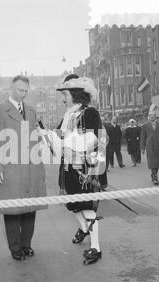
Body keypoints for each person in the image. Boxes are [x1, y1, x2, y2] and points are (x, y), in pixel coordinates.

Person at [0, 75, 47, 261]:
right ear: (11, 89)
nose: (23, 94)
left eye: (26, 91)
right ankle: (15, 248)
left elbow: (34, 137)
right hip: (10, 167)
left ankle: (26, 244)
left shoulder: (31, 111)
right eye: (20, 90)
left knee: (30, 207)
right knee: (12, 208)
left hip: (31, 165)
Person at [51, 74, 106, 265]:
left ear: (75, 94)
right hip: (67, 169)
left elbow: (92, 140)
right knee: (72, 204)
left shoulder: (90, 113)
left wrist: (65, 139)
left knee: (88, 209)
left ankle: (96, 248)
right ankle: (84, 229)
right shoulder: (67, 115)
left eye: (65, 94)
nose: (63, 98)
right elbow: (57, 141)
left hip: (86, 169)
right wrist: (48, 137)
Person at [140, 109, 159, 185]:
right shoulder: (145, 126)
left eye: (152, 115)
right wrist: (142, 148)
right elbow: (142, 137)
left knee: (158, 162)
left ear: (155, 116)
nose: (151, 117)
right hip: (150, 147)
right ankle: (155, 177)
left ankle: (154, 174)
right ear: (148, 117)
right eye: (149, 115)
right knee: (152, 162)